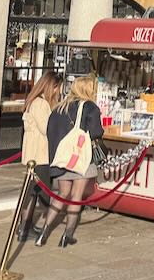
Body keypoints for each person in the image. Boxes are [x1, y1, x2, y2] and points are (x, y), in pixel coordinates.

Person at [36, 75, 104, 248]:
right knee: (76, 196)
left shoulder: (59, 107)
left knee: (62, 194)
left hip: (62, 158)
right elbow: (96, 132)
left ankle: (43, 233)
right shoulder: (90, 107)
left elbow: (50, 131)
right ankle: (67, 235)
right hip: (81, 158)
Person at [18, 72, 61, 241]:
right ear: (52, 86)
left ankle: (25, 227)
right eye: (57, 88)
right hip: (39, 156)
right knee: (34, 193)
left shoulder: (35, 101)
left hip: (34, 155)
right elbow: (46, 128)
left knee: (32, 192)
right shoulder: (40, 104)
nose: (58, 91)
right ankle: (24, 228)